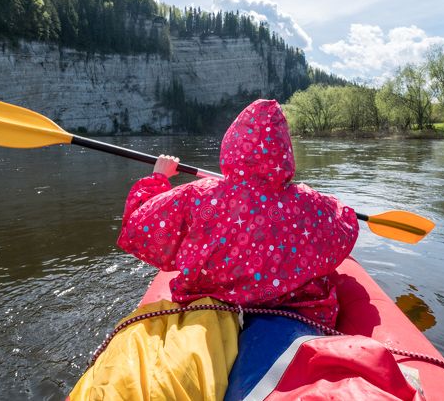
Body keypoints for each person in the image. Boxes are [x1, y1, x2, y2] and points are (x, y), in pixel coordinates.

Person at [119, 98, 359, 327]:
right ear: (284, 149)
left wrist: (158, 178)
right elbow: (346, 225)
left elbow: (137, 226)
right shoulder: (309, 203)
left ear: (232, 142)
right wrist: (318, 200)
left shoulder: (198, 195)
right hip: (292, 311)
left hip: (208, 308)